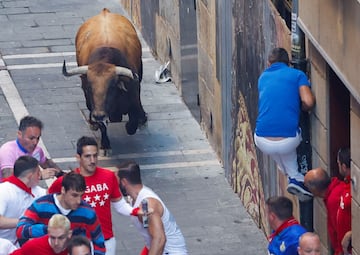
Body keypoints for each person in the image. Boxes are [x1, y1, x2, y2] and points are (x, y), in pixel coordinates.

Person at [48, 136, 142, 255]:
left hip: (105, 241)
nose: (92, 160)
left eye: (95, 155)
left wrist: (135, 211)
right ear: (78, 157)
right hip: (76, 244)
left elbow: (119, 205)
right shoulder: (66, 180)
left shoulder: (109, 176)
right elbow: (49, 203)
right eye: (87, 156)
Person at [254, 47, 316, 201]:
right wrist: (302, 108)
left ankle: (293, 177)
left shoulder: (262, 78)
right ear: (288, 62)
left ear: (269, 63)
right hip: (288, 140)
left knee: (280, 154)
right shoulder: (297, 75)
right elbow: (308, 101)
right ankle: (296, 179)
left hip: (261, 140)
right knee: (285, 148)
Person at [16, 172, 105, 255]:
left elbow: (99, 242)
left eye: (81, 195)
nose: (78, 201)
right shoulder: (41, 205)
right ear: (63, 190)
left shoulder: (88, 212)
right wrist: (48, 230)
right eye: (74, 195)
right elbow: (20, 230)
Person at [117, 161, 188, 255]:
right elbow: (150, 234)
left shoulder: (148, 204)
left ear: (124, 182)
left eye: (116, 181)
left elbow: (160, 239)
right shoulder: (136, 197)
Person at [0, 156, 46, 245]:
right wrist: (26, 221)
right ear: (30, 176)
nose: (40, 176)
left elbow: (53, 197)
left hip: (16, 245)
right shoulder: (3, 190)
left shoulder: (35, 190)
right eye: (38, 173)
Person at [0, 115, 62, 181]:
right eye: (31, 138)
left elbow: (46, 163)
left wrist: (63, 176)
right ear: (19, 134)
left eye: (38, 138)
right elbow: (9, 182)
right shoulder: (7, 152)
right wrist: (38, 176)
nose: (35, 142)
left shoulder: (37, 151)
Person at [304, 167, 345, 254]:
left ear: (314, 189)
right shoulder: (337, 187)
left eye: (307, 187)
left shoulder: (333, 200)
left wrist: (339, 251)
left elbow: (339, 229)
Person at [336, 148, 351, 254]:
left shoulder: (354, 188)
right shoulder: (346, 183)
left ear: (344, 167)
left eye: (338, 163)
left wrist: (351, 233)